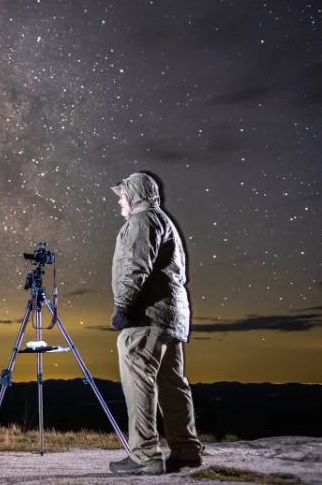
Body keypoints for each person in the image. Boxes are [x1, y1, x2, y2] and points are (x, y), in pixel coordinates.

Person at [107, 172, 204, 475]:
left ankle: (145, 455)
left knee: (140, 383)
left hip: (147, 318)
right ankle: (186, 451)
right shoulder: (163, 219)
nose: (120, 202)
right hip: (172, 317)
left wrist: (123, 304)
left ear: (135, 195)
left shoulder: (142, 221)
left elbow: (136, 265)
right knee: (172, 383)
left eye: (123, 196)